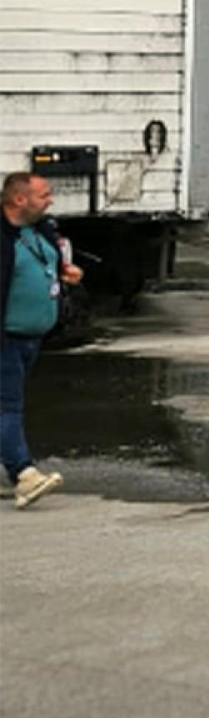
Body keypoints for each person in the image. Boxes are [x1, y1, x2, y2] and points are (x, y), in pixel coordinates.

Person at [2, 171, 81, 509]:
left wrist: (65, 272)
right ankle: (24, 475)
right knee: (8, 406)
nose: (50, 200)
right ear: (20, 200)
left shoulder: (41, 229)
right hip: (6, 338)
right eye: (43, 195)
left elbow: (50, 261)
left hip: (33, 337)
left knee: (10, 403)